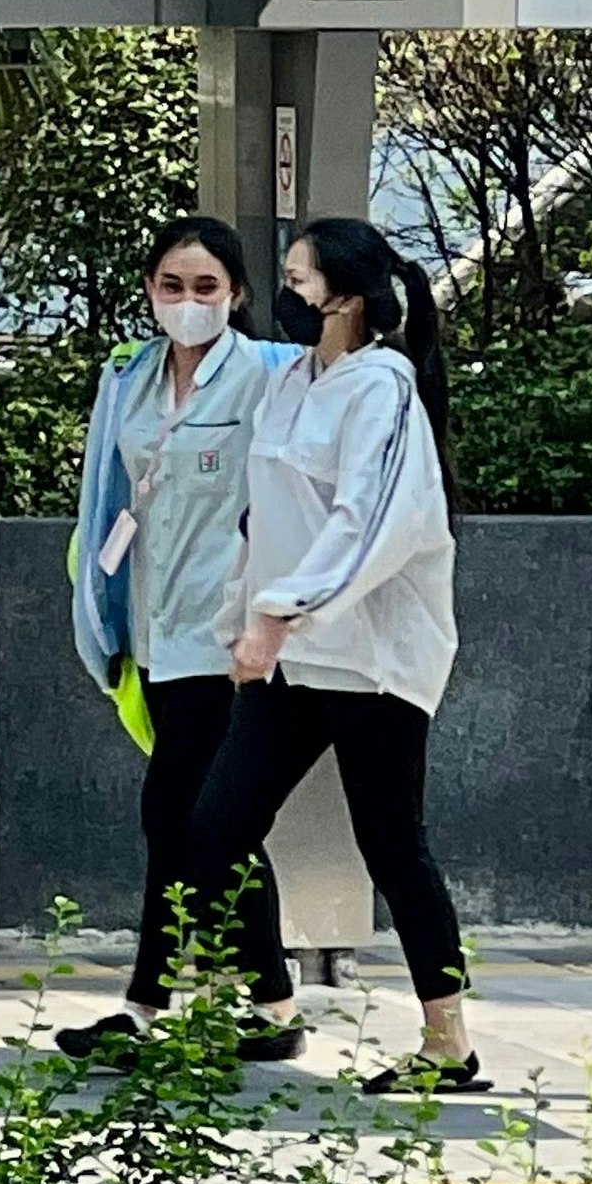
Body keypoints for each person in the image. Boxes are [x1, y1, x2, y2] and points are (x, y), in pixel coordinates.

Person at [176, 216, 481, 1094]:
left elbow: (369, 523)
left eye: (301, 278)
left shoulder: (383, 388)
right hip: (296, 659)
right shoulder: (293, 383)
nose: (289, 292)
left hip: (373, 659)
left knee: (393, 844)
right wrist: (244, 618)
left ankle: (448, 1040)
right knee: (217, 826)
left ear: (345, 295)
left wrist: (278, 613)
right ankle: (268, 1005)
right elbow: (261, 516)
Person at [58, 218, 309, 1063]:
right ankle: (271, 1003)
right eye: (172, 285)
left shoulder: (270, 375)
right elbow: (107, 493)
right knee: (210, 821)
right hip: (154, 630)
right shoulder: (128, 377)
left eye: (206, 287)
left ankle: (145, 1006)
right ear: (150, 290)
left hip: (229, 636)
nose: (189, 302)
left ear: (236, 293)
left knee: (179, 813)